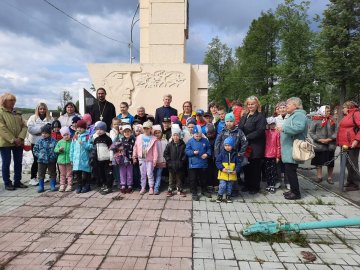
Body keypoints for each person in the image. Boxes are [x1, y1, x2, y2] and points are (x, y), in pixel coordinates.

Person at [277, 97, 308, 200]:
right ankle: (293, 190)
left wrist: (283, 128)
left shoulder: (299, 115)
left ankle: (296, 193)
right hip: (289, 148)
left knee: (291, 171)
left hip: (292, 148)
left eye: (288, 104)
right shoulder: (294, 114)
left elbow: (299, 127)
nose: (286, 106)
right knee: (289, 171)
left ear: (295, 105)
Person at [239, 96, 267, 194]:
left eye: (252, 104)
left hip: (256, 146)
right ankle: (247, 184)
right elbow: (240, 127)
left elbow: (260, 131)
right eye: (249, 104)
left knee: (255, 167)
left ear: (257, 105)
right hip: (245, 145)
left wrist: (247, 137)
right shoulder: (245, 116)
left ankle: (255, 187)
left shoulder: (260, 116)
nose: (250, 106)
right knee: (246, 165)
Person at [0, 93, 28, 190]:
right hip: (5, 143)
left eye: (14, 100)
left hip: (18, 142)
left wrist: (20, 138)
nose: (13, 102)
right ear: (4, 101)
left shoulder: (17, 113)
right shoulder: (0, 112)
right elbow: (2, 128)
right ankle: (7, 183)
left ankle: (17, 181)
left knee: (18, 162)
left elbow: (24, 126)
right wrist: (13, 139)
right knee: (6, 162)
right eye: (10, 100)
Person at [27, 102, 54, 186]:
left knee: (46, 160)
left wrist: (39, 131)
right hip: (36, 142)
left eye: (44, 108)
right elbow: (30, 129)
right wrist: (42, 129)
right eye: (40, 109)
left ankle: (42, 176)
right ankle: (33, 177)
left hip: (47, 143)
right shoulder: (33, 118)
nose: (42, 110)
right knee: (37, 160)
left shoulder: (50, 118)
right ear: (37, 109)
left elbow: (52, 129)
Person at [309, 105, 337, 184]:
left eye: (329, 111)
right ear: (323, 111)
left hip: (330, 145)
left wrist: (330, 138)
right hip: (319, 145)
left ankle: (329, 177)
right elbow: (311, 132)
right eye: (327, 111)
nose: (329, 112)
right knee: (318, 162)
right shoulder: (316, 120)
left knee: (330, 163)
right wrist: (319, 139)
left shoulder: (333, 120)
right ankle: (319, 177)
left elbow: (337, 130)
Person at [336, 100, 360, 191]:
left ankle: (356, 183)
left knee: (352, 163)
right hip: (345, 144)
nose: (342, 110)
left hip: (352, 144)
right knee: (346, 163)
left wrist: (356, 140)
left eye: (344, 108)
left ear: (349, 107)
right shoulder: (347, 116)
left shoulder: (356, 114)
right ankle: (350, 181)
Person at [185, 125, 212, 201]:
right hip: (193, 164)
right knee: (193, 179)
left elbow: (209, 149)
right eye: (196, 136)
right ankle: (194, 192)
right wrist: (193, 152)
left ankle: (204, 190)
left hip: (203, 163)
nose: (198, 137)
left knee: (203, 178)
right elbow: (187, 151)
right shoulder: (190, 141)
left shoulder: (205, 140)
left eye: (199, 136)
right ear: (193, 134)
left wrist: (207, 154)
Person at [133, 121, 158, 195]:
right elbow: (135, 147)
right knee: (142, 174)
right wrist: (134, 156)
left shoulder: (153, 138)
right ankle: (143, 187)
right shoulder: (139, 137)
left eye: (148, 128)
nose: (146, 130)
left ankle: (151, 187)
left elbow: (155, 150)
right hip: (141, 158)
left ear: (151, 129)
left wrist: (155, 159)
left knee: (150, 173)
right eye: (145, 128)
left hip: (149, 159)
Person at [111, 125, 136, 193]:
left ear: (131, 132)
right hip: (122, 160)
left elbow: (136, 149)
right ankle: (123, 185)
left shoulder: (133, 140)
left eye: (128, 131)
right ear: (123, 133)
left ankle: (130, 185)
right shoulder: (120, 140)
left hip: (130, 159)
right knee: (122, 173)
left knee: (129, 173)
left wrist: (134, 157)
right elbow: (114, 148)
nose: (127, 133)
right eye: (125, 132)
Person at [70, 120, 93, 193]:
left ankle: (87, 185)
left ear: (85, 128)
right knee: (78, 174)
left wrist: (82, 143)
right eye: (78, 128)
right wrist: (71, 158)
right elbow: (72, 148)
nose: (79, 129)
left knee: (86, 173)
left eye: (81, 128)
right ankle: (79, 186)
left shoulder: (88, 136)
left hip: (85, 158)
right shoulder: (75, 137)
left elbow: (90, 147)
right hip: (76, 159)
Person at [215, 137, 241, 203]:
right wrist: (222, 168)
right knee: (222, 185)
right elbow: (217, 162)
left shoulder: (235, 154)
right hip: (223, 173)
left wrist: (236, 170)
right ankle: (220, 195)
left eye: (229, 145)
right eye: (225, 145)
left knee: (230, 186)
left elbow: (238, 163)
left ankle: (228, 196)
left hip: (232, 174)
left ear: (232, 145)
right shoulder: (221, 154)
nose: (227, 147)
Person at [33, 124, 57, 193]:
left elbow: (56, 149)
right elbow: (35, 150)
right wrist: (39, 155)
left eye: (46, 133)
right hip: (41, 161)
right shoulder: (39, 141)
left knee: (52, 173)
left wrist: (53, 156)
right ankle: (41, 186)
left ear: (49, 133)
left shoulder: (54, 141)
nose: (44, 135)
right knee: (41, 173)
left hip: (51, 160)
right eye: (42, 133)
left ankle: (52, 185)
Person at [164, 124, 187, 197]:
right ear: (172, 136)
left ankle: (179, 189)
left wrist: (182, 161)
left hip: (180, 165)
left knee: (179, 178)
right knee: (171, 178)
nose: (176, 137)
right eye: (174, 135)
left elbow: (185, 154)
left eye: (177, 135)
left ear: (180, 136)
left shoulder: (183, 145)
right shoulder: (169, 145)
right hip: (171, 165)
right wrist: (169, 162)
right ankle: (170, 189)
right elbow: (165, 154)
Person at [92, 122, 113, 194]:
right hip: (99, 160)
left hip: (107, 160)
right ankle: (104, 185)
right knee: (101, 173)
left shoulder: (108, 139)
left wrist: (111, 159)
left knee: (108, 173)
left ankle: (109, 187)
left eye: (101, 129)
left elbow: (111, 149)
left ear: (104, 130)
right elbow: (94, 150)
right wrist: (94, 158)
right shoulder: (96, 139)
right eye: (97, 129)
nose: (99, 131)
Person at [264, 117, 281, 193]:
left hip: (273, 155)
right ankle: (269, 184)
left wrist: (278, 156)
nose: (272, 126)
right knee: (267, 171)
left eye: (273, 124)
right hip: (266, 154)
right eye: (270, 124)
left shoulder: (277, 133)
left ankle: (273, 185)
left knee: (273, 171)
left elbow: (278, 145)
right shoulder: (265, 132)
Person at [54, 127, 73, 192]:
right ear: (62, 135)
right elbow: (55, 150)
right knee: (62, 174)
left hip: (69, 160)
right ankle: (62, 184)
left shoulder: (71, 142)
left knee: (69, 174)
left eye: (67, 134)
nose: (66, 136)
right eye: (64, 135)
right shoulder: (60, 142)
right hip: (61, 161)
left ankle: (69, 185)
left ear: (69, 134)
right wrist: (59, 150)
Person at [153, 125, 168, 195]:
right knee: (153, 174)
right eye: (155, 133)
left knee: (159, 174)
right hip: (153, 161)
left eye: (159, 132)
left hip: (161, 161)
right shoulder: (152, 140)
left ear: (161, 133)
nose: (157, 134)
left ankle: (156, 188)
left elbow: (167, 150)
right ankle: (152, 186)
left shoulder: (164, 140)